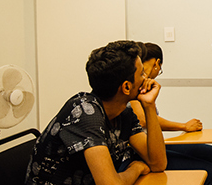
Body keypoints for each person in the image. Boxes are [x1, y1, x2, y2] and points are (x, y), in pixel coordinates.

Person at [25, 40, 167, 185]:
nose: (146, 78)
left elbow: (158, 164)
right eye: (142, 73)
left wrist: (149, 105)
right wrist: (136, 168)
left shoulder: (123, 113)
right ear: (126, 87)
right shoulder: (84, 113)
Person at [128, 42, 212, 185]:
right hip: (140, 151)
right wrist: (183, 126)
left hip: (152, 144)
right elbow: (143, 120)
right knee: (211, 172)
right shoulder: (134, 87)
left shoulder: (146, 86)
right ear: (157, 63)